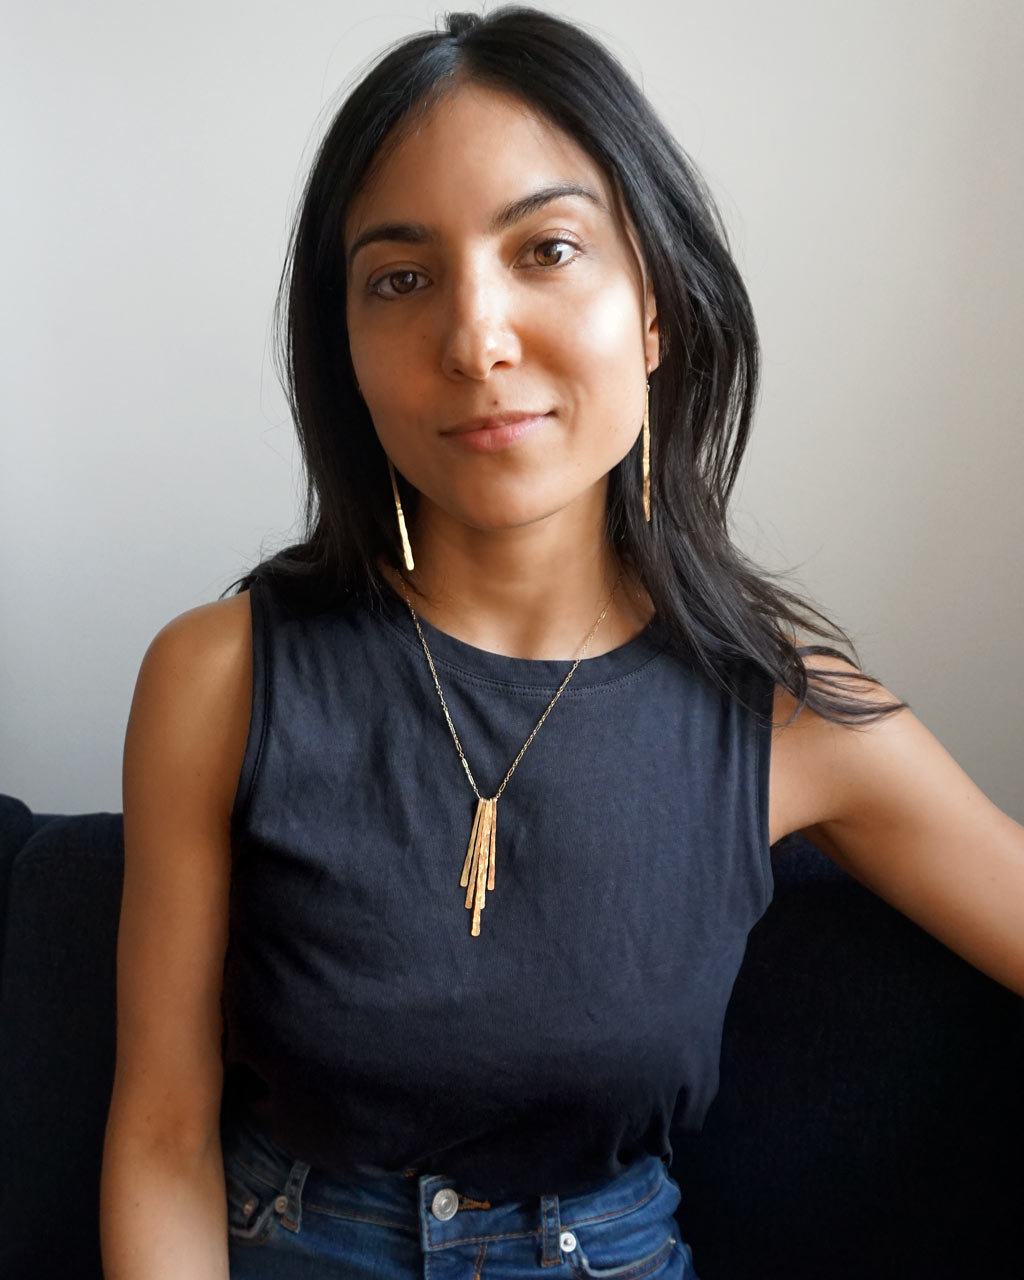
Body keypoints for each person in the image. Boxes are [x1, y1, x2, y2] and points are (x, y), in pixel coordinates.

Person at [98, 7, 1024, 1278]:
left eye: (546, 249)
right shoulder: (220, 675)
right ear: (348, 352)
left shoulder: (783, 711)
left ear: (652, 310)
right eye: (401, 277)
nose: (476, 340)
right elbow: (158, 1131)